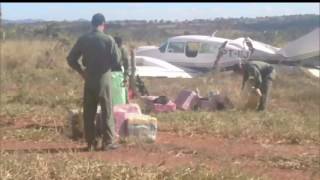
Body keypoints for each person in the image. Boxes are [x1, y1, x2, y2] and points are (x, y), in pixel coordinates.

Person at [67, 13, 121, 151]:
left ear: (91, 24)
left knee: (89, 112)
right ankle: (108, 142)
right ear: (103, 24)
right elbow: (117, 60)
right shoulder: (109, 40)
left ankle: (91, 143)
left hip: (89, 78)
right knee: (106, 111)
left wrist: (81, 71)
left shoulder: (83, 39)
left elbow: (71, 59)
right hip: (104, 78)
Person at [114, 36, 130, 103]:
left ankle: (126, 103)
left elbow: (126, 62)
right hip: (116, 73)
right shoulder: (117, 49)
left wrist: (126, 74)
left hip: (121, 72)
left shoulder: (122, 49)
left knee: (123, 90)